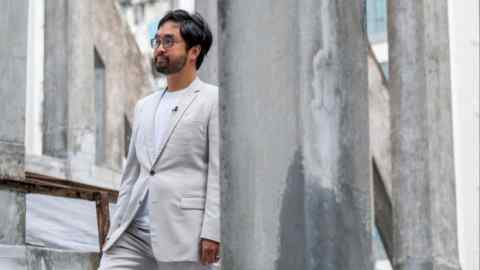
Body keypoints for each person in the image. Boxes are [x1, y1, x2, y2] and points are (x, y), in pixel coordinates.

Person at [98, 9, 220, 270]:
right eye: (157, 41)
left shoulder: (213, 100)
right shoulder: (145, 106)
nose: (160, 48)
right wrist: (116, 226)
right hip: (132, 234)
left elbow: (218, 172)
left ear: (194, 52)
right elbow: (132, 173)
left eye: (169, 41)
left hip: (184, 234)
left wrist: (212, 230)